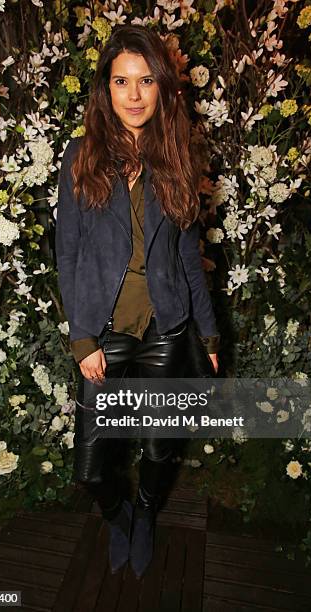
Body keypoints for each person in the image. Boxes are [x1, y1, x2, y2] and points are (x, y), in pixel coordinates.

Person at [55, 24, 220, 579]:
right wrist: (81, 339)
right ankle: (118, 513)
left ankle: (146, 514)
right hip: (103, 334)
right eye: (121, 81)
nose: (132, 94)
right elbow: (69, 253)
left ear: (162, 87)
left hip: (166, 330)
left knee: (156, 451)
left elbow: (189, 254)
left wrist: (210, 332)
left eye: (145, 80)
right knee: (93, 470)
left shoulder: (178, 158)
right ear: (105, 88)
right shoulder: (81, 156)